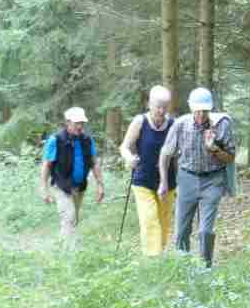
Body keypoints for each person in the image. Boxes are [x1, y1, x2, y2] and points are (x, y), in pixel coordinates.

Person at [159, 87, 238, 267]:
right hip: (187, 178)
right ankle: (182, 266)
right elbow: (165, 154)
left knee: (205, 230)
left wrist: (214, 148)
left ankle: (205, 267)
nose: (201, 114)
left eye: (205, 110)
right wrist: (164, 182)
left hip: (213, 180)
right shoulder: (180, 125)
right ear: (191, 108)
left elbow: (231, 157)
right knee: (181, 230)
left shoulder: (222, 125)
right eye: (198, 110)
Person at [119, 86, 177, 256]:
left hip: (168, 181)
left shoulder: (173, 124)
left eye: (165, 107)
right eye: (158, 106)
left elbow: (177, 153)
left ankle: (161, 252)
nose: (161, 110)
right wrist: (129, 158)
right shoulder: (140, 122)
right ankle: (153, 256)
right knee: (149, 218)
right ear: (149, 104)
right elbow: (124, 147)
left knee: (164, 220)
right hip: (143, 180)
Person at [40, 107, 105, 242]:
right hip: (61, 186)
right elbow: (46, 165)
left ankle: (64, 247)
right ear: (68, 122)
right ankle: (68, 252)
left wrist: (100, 185)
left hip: (79, 187)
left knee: (73, 219)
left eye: (82, 123)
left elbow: (94, 163)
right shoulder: (55, 140)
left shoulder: (87, 140)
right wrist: (44, 189)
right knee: (69, 216)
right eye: (76, 123)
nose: (80, 126)